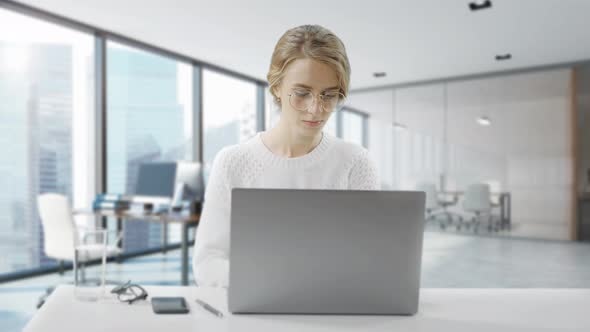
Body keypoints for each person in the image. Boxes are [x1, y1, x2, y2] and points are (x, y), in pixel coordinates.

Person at [192, 24, 380, 287]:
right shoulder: (232, 162)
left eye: (329, 95)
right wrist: (266, 283)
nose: (316, 108)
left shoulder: (356, 162)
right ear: (276, 87)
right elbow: (208, 261)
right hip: (254, 314)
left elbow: (373, 257)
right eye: (302, 93)